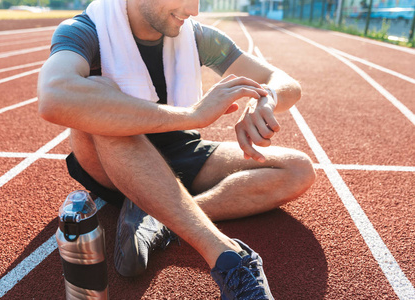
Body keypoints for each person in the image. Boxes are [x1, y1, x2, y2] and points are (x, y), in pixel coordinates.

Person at [37, 0, 316, 298]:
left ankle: (159, 221)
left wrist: (265, 98)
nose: (194, 10)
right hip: (113, 154)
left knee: (297, 168)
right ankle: (228, 257)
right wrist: (192, 116)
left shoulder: (197, 37)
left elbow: (286, 82)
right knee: (98, 95)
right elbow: (53, 96)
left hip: (179, 145)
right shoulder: (85, 31)